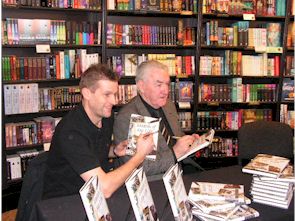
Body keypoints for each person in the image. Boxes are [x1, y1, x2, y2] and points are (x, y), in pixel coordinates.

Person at [42, 64, 154, 200]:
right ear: (87, 93)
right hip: (66, 201)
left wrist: (114, 151)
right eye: (107, 95)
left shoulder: (105, 116)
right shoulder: (71, 130)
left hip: (92, 197)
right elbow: (104, 188)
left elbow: (90, 149)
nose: (114, 101)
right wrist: (140, 156)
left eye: (115, 94)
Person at [113, 60, 199, 180]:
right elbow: (142, 166)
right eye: (159, 85)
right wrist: (175, 153)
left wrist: (192, 144)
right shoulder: (128, 117)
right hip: (153, 183)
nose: (166, 91)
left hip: (181, 173)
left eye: (167, 84)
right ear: (141, 86)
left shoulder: (168, 105)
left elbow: (176, 138)